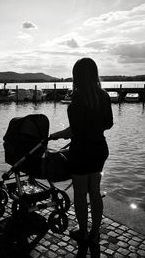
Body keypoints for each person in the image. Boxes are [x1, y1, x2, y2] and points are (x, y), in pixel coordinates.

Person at [50, 57, 113, 258]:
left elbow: (73, 131)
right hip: (99, 149)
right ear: (95, 74)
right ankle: (95, 234)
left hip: (81, 151)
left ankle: (83, 232)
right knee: (95, 192)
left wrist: (55, 135)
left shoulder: (76, 99)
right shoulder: (103, 96)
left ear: (77, 76)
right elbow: (108, 124)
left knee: (79, 194)